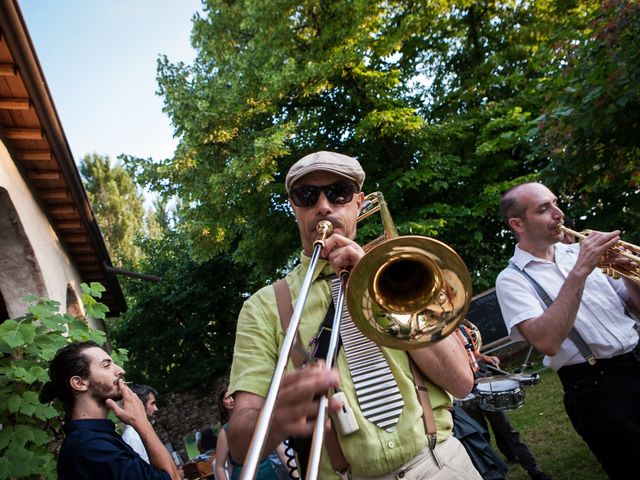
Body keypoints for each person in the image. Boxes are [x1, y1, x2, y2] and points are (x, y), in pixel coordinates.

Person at [227, 151, 482, 479]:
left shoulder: (404, 276)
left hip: (439, 464)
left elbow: (461, 382)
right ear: (293, 206)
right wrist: (275, 418)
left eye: (338, 193)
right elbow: (238, 446)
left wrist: (385, 291)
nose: (323, 206)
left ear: (359, 203)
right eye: (307, 196)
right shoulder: (262, 309)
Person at [495, 182, 640, 479]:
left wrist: (630, 276)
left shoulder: (579, 252)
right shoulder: (511, 280)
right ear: (517, 223)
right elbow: (546, 341)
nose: (559, 214)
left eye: (555, 203)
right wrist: (580, 271)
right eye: (544, 209)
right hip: (597, 388)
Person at [39, 341, 181, 480]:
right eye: (106, 365)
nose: (120, 370)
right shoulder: (91, 448)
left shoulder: (98, 438)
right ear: (80, 383)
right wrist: (141, 422)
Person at [454, 324, 551, 480]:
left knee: (505, 427)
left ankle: (534, 469)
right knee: (481, 435)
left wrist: (485, 357)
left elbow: (471, 353)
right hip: (464, 389)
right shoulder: (439, 333)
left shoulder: (462, 328)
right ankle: (495, 473)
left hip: (482, 381)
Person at [214, 387, 287, 480]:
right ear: (222, 403)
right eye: (227, 398)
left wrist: (297, 475)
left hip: (267, 472)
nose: (231, 400)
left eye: (233, 396)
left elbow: (281, 452)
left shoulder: (257, 421)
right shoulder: (225, 431)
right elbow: (219, 466)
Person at [122, 384, 160, 463]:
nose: (156, 409)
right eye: (152, 403)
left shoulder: (141, 432)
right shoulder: (132, 437)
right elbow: (146, 473)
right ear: (140, 405)